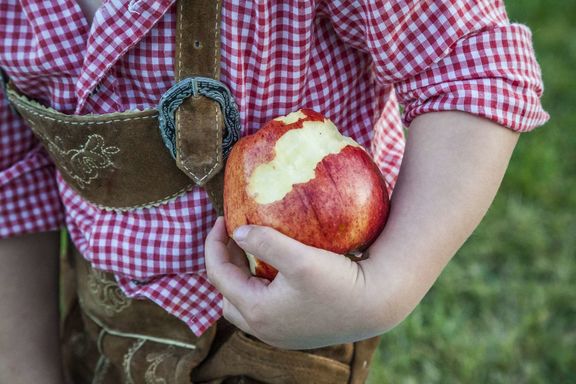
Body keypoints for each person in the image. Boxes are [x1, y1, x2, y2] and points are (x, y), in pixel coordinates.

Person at [0, 0, 548, 383]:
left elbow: (472, 61)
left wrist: (384, 287)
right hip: (108, 322)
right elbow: (11, 184)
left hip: (300, 336)